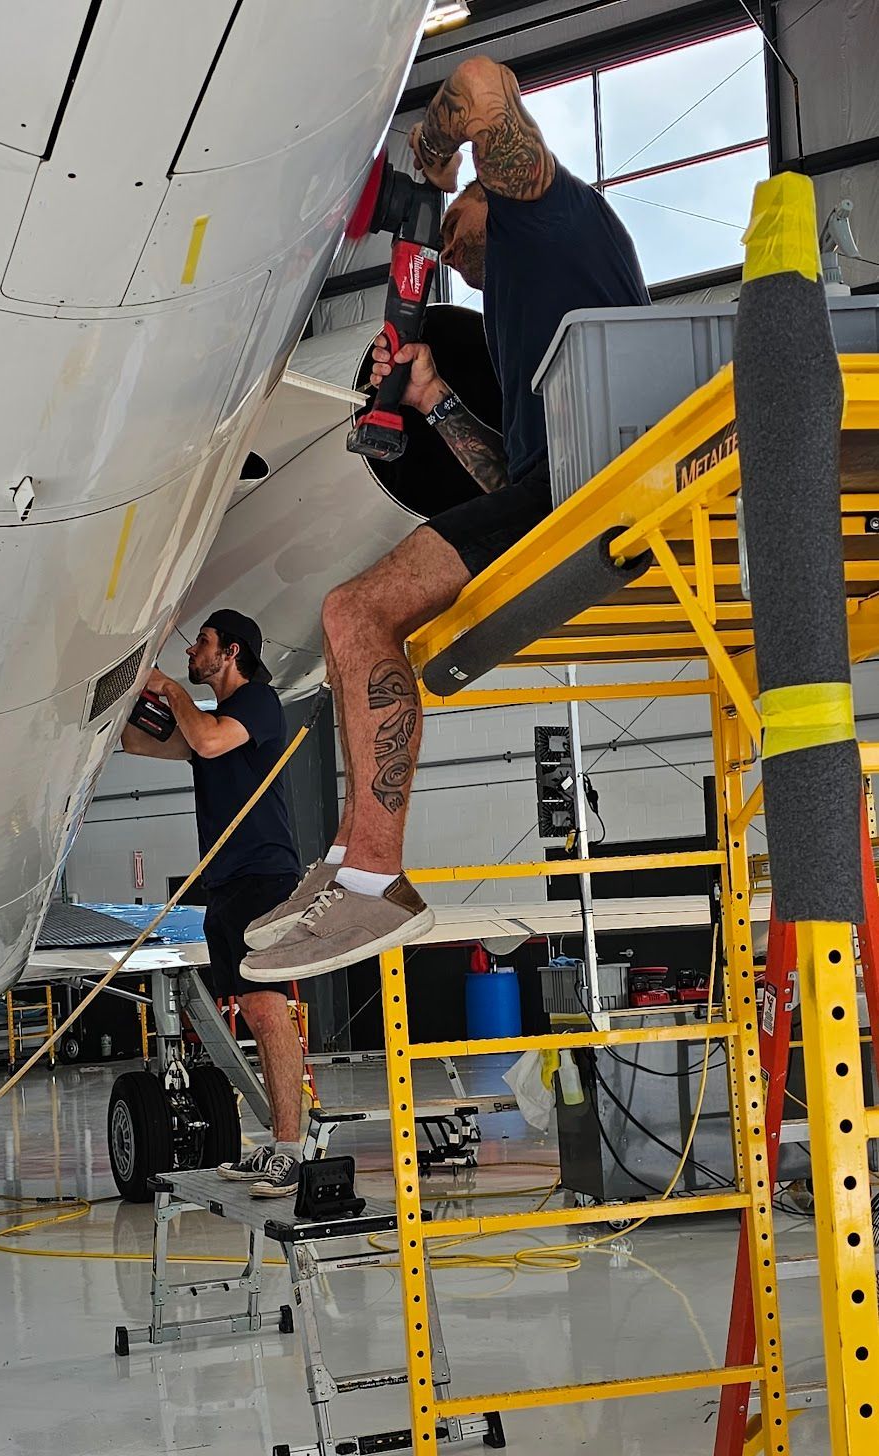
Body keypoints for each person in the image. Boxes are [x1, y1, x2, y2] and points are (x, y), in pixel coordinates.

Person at [240, 55, 649, 986]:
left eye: (456, 227)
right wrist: (431, 400)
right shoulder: (513, 304)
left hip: (600, 487)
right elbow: (507, 474)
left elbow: (480, 76)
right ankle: (351, 861)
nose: (451, 251)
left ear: (485, 190)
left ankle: (377, 876)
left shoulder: (546, 217)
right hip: (558, 489)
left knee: (353, 612)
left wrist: (426, 164)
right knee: (347, 626)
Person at [121, 610, 306, 1198]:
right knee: (251, 1010)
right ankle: (278, 1145)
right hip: (224, 884)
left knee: (266, 1006)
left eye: (200, 644)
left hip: (262, 876)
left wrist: (167, 686)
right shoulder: (211, 722)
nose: (190, 654)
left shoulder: (258, 704)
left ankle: (290, 1152)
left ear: (230, 652)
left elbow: (204, 738)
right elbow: (141, 741)